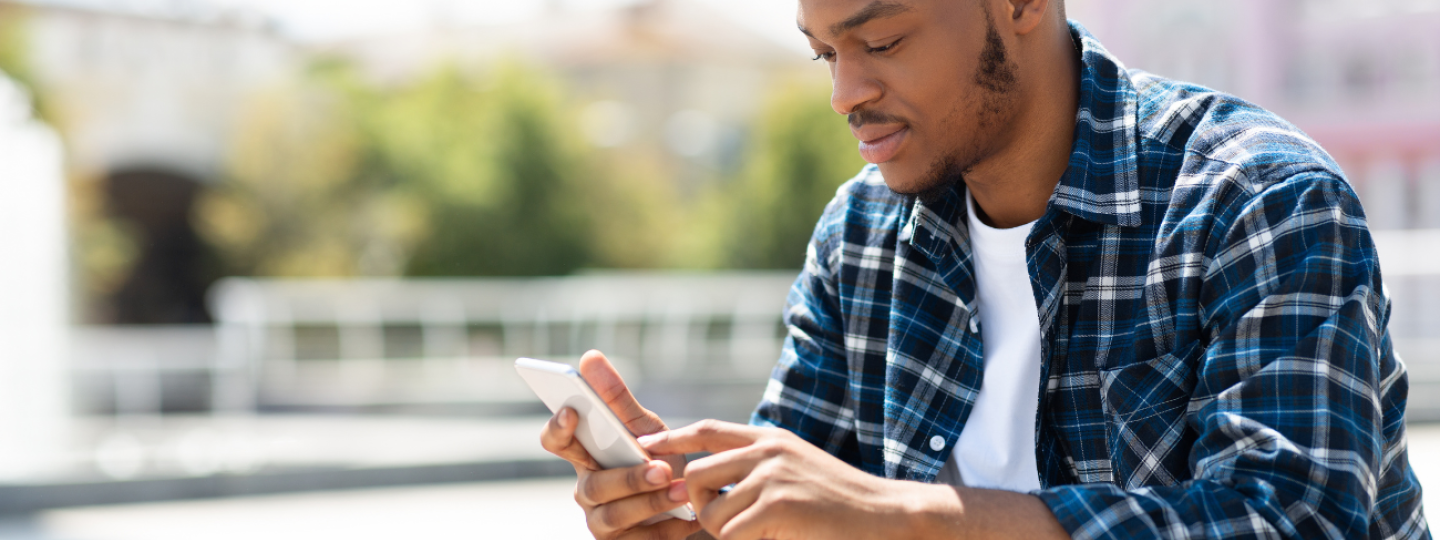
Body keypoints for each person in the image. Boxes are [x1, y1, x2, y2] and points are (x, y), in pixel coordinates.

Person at [541, 0, 1431, 538]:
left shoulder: (1255, 198)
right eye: (825, 53)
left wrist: (898, 521)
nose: (844, 92)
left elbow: (1292, 522)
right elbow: (809, 512)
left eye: (880, 41)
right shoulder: (861, 235)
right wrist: (679, 518)